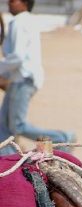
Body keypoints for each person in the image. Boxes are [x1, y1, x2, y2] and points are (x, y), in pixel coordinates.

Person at [0, 0, 75, 155]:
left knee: (17, 126)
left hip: (22, 79)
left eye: (13, 1)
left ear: (25, 3)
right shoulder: (27, 21)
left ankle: (62, 138)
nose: (9, 3)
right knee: (3, 125)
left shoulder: (20, 22)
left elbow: (18, 57)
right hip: (20, 78)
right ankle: (7, 158)